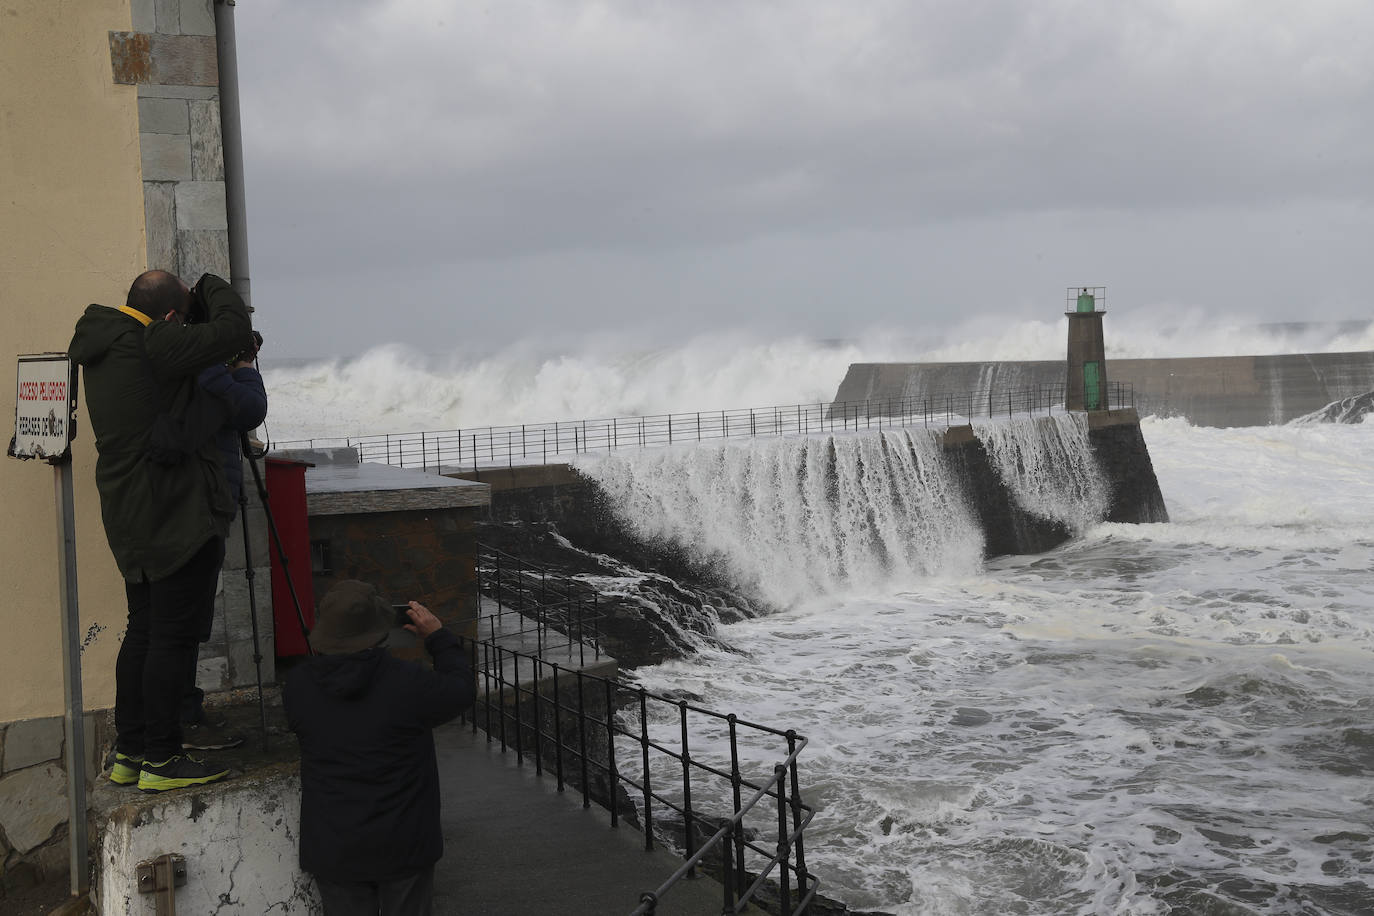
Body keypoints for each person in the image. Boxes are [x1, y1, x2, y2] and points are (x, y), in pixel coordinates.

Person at [68, 270, 255, 792]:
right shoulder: (159, 344)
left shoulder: (105, 343)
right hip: (174, 514)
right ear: (172, 318)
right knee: (172, 638)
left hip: (128, 510)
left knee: (144, 630)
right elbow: (234, 331)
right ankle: (164, 759)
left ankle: (130, 752)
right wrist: (211, 285)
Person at [284, 580, 475, 916]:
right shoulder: (407, 682)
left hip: (334, 845)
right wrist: (437, 638)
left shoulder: (298, 687)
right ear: (379, 631)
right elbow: (461, 690)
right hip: (404, 842)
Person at [178, 342, 269, 751]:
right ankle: (181, 717)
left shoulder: (174, 359)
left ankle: (178, 712)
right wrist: (246, 364)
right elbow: (250, 409)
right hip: (202, 505)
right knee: (182, 624)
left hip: (190, 503)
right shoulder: (200, 358)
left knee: (173, 624)